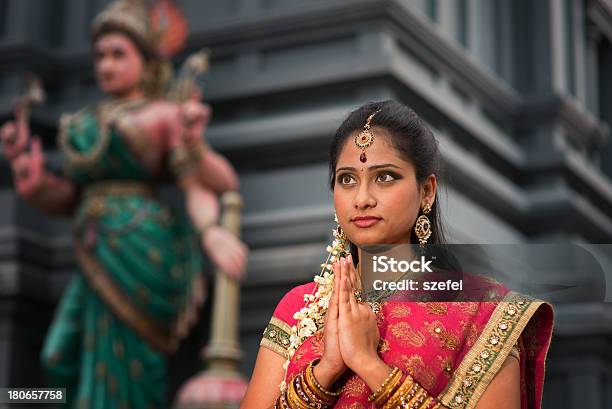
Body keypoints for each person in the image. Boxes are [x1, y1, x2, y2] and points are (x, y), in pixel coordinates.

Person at [0, 1, 247, 408]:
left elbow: (200, 183)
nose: (106, 64)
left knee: (134, 366)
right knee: (57, 356)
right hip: (93, 254)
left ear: (147, 63)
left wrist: (211, 232)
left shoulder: (165, 115)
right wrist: (34, 184)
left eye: (119, 54)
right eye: (100, 55)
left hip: (143, 254)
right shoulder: (83, 123)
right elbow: (70, 198)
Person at [241, 100, 553, 409]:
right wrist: (324, 372)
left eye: (385, 177)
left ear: (427, 191)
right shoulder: (300, 308)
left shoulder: (483, 312)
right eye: (347, 179)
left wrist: (368, 364)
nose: (362, 199)